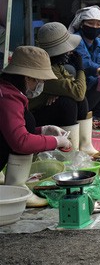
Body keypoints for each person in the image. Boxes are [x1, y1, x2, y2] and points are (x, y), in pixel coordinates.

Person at [0, 46, 73, 207]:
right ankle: (16, 188)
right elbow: (21, 142)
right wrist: (56, 141)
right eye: (40, 80)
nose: (41, 84)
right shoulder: (8, 99)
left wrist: (45, 130)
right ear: (28, 78)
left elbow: (12, 129)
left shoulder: (9, 92)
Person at [30, 22, 97, 154]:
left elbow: (75, 89)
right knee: (68, 103)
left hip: (43, 111)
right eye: (67, 50)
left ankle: (84, 146)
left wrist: (59, 92)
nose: (70, 52)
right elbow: (78, 91)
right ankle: (70, 151)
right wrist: (80, 69)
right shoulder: (47, 69)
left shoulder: (56, 66)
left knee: (79, 100)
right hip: (32, 119)